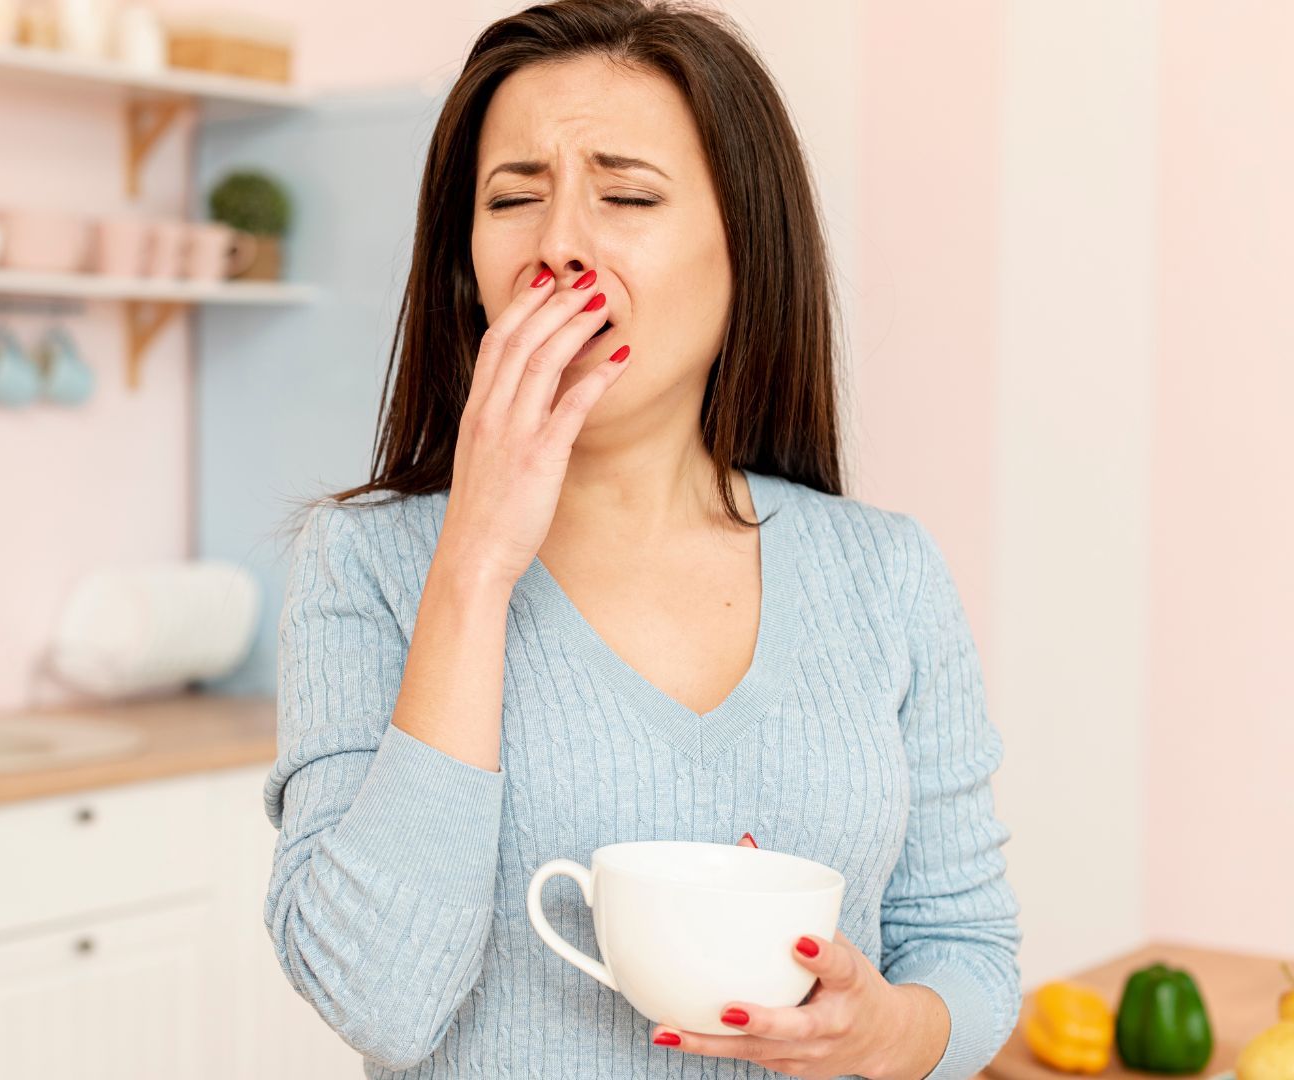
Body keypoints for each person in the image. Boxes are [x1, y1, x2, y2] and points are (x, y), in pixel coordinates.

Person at [260, 1, 1023, 1078]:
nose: (559, 247)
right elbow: (377, 999)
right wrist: (474, 563)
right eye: (513, 198)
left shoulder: (886, 572)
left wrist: (891, 1032)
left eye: (627, 196)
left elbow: (970, 951)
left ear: (745, 247)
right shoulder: (366, 565)